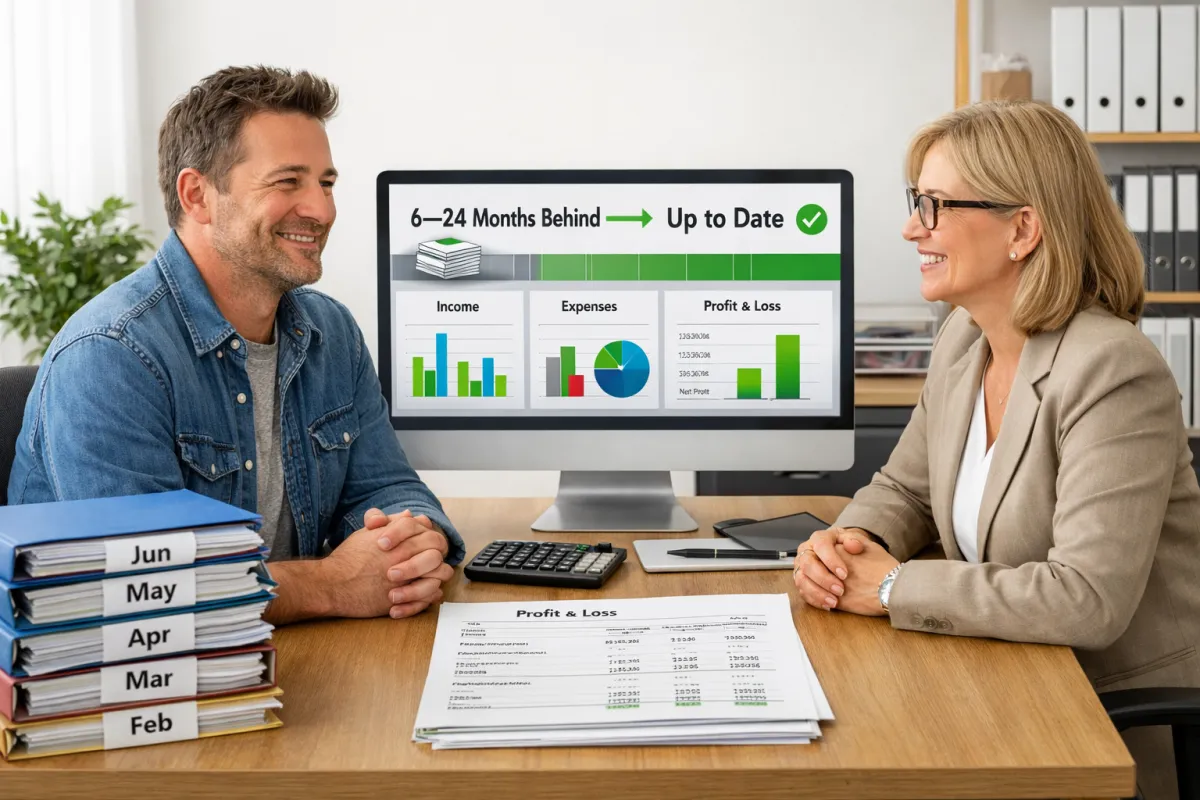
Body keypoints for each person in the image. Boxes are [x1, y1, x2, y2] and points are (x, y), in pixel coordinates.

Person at [793, 100, 1200, 799]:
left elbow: (1086, 598)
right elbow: (906, 489)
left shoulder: (1112, 370)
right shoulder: (964, 338)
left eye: (936, 205)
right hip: (1001, 682)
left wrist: (891, 587)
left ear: (1023, 228)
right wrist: (848, 547)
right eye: (915, 201)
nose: (911, 227)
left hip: (1101, 726)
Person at [7, 65, 462, 626]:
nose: (322, 210)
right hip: (130, 694)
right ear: (197, 194)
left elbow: (388, 487)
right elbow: (143, 585)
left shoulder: (332, 333)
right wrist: (331, 584)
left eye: (326, 183)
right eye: (287, 181)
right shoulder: (111, 354)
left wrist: (414, 542)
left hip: (281, 661)